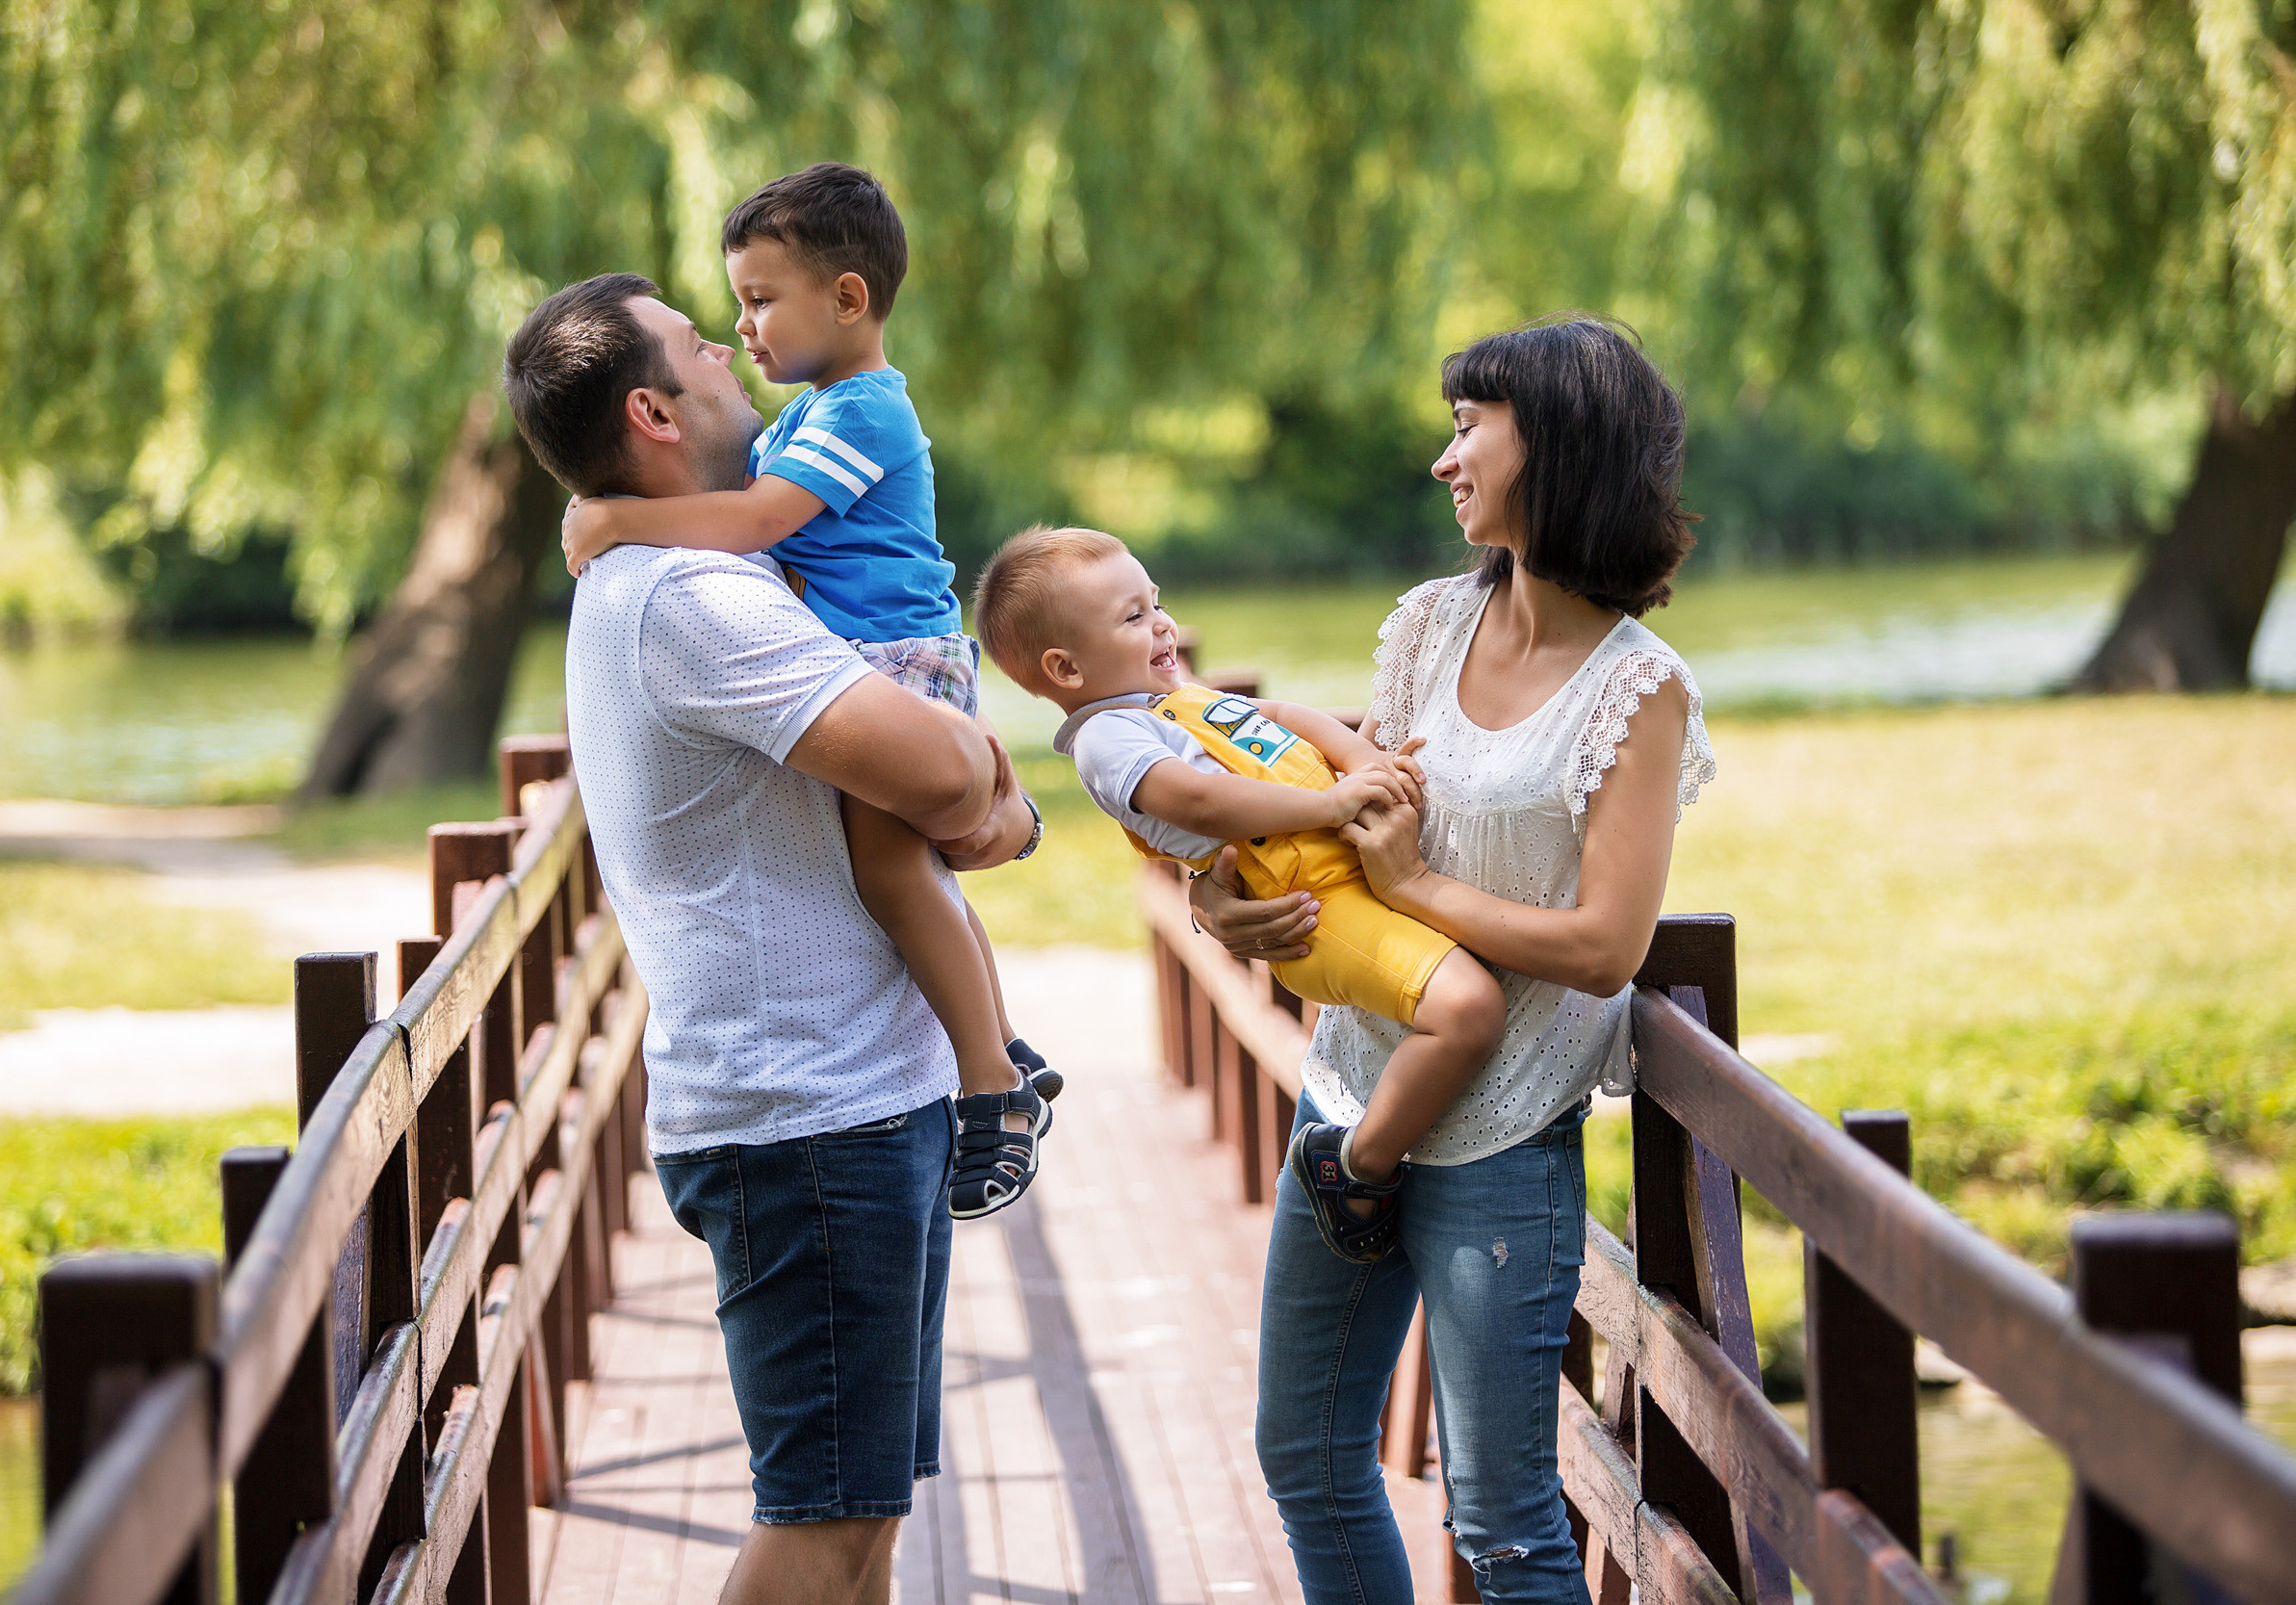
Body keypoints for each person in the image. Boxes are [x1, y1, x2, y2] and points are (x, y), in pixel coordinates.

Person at [502, 272, 1039, 1605]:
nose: (735, 353)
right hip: (810, 1121)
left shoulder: (695, 570)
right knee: (822, 1526)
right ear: (654, 408)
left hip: (849, 1102)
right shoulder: (692, 594)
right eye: (700, 345)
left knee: (860, 1525)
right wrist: (985, 779)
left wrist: (981, 790)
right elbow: (960, 787)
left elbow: (968, 803)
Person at [1191, 317, 1716, 1601]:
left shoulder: (1637, 690)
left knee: (1506, 1524)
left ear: (1560, 446)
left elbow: (1604, 946)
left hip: (1497, 1137)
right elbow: (1331, 802)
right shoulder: (1430, 625)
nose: (1444, 458)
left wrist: (1419, 887)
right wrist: (1221, 896)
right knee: (1307, 1453)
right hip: (1345, 1101)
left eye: (1470, 424)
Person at [556, 164, 1051, 1219]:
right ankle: (995, 1048)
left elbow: (753, 527)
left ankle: (992, 1080)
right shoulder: (807, 421)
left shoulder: (860, 410)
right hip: (867, 657)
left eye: (757, 301)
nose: (740, 331)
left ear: (847, 299)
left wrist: (613, 519)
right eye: (725, 314)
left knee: (895, 871)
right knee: (906, 868)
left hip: (896, 657)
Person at [971, 525, 1509, 1260]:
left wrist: (1361, 758)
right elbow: (1201, 805)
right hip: (1315, 907)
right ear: (1065, 669)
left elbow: (1282, 718)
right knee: (1469, 1008)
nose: (1161, 623)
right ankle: (1356, 1164)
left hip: (1348, 864)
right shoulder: (1108, 738)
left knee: (1473, 965)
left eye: (1155, 602)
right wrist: (1331, 805)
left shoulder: (1177, 699)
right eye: (1133, 618)